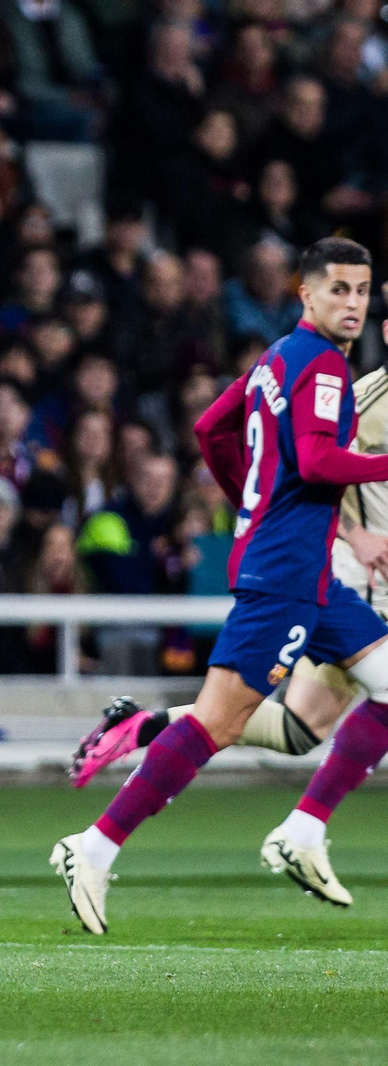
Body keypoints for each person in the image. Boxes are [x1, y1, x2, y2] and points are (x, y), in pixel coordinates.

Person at [50, 239, 388, 935]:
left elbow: (211, 430)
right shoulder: (324, 367)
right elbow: (322, 462)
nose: (353, 304)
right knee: (221, 722)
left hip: (301, 566)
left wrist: (252, 505)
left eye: (362, 291)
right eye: (339, 291)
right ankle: (94, 846)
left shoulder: (275, 358)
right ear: (307, 293)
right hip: (290, 573)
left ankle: (305, 829)